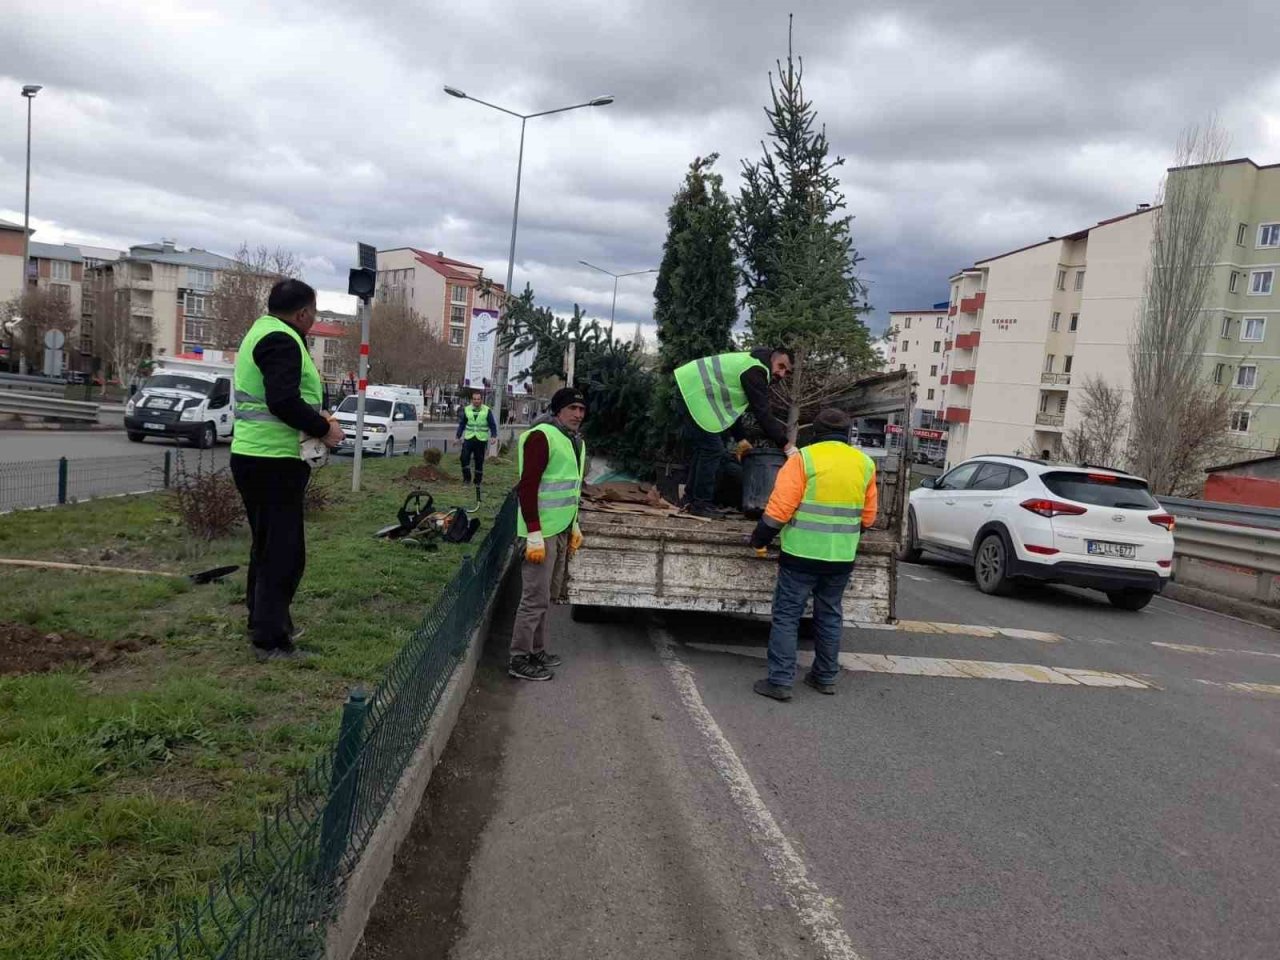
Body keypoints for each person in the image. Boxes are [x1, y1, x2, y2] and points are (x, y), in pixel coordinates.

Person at [230, 279, 344, 662]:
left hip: (255, 456)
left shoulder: (262, 332)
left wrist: (315, 416)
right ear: (303, 313)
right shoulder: (282, 339)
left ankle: (264, 621)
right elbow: (282, 400)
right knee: (284, 553)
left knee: (266, 547)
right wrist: (323, 428)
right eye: (313, 312)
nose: (312, 319)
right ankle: (271, 640)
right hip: (272, 460)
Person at [748, 408, 878, 700]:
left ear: (815, 433)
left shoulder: (803, 459)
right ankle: (825, 677)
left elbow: (780, 509)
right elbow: (868, 519)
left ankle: (780, 681)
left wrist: (759, 539)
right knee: (829, 615)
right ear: (847, 434)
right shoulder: (865, 464)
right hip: (841, 559)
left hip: (801, 555)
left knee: (786, 616)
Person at [510, 387, 588, 681]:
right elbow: (527, 488)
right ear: (558, 410)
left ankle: (536, 650)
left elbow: (572, 489)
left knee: (546, 597)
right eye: (572, 409)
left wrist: (575, 524)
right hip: (539, 531)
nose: (578, 415)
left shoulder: (575, 442)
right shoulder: (541, 436)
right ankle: (518, 658)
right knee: (533, 598)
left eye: (581, 410)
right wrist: (532, 533)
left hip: (560, 529)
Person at [673, 347, 795, 518]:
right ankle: (700, 504)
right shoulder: (756, 371)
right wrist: (786, 446)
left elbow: (730, 409)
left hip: (692, 387)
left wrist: (741, 439)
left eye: (786, 372)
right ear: (772, 358)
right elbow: (762, 413)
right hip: (694, 390)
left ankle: (690, 500)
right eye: (780, 366)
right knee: (712, 450)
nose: (781, 374)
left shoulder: (753, 364)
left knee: (705, 449)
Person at [456, 390, 498, 491]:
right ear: (472, 400)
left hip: (481, 439)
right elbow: (462, 424)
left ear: (481, 400)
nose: (476, 401)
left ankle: (477, 481)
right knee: (463, 458)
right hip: (469, 438)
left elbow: (492, 425)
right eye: (474, 399)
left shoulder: (487, 410)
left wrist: (493, 436)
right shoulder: (467, 409)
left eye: (478, 399)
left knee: (479, 461)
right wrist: (457, 436)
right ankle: (467, 479)